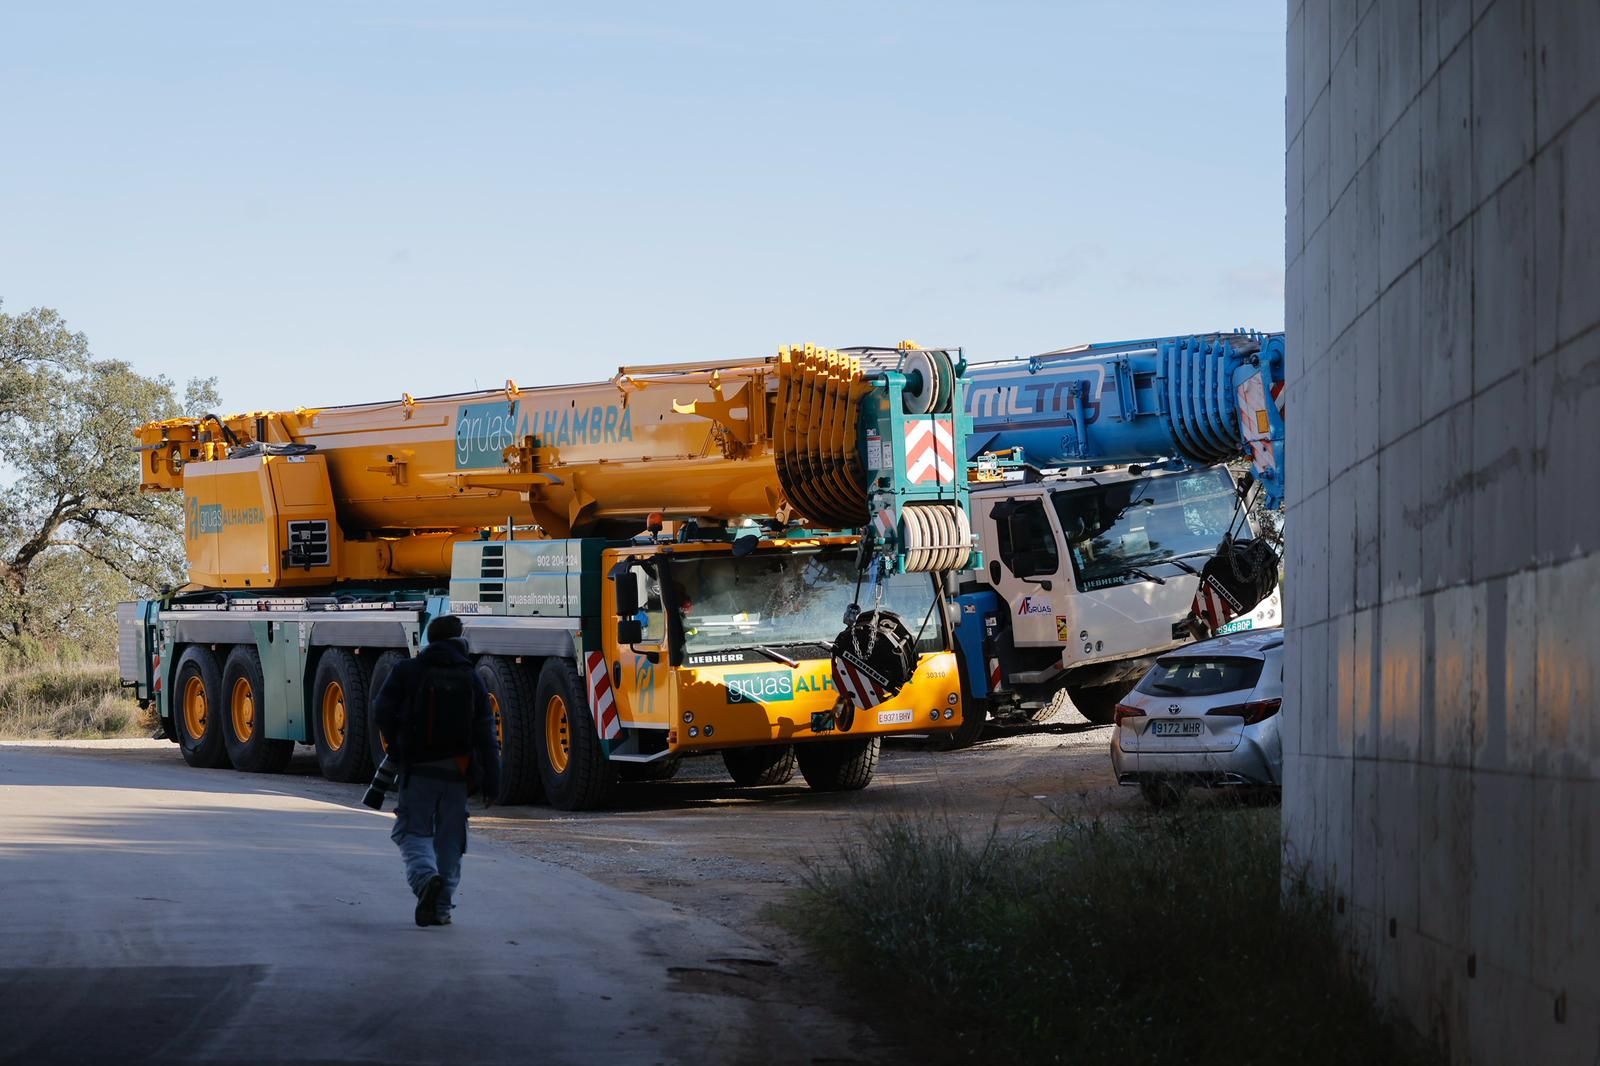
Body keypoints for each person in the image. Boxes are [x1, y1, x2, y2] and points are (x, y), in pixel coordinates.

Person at [373, 615, 500, 927]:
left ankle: (425, 878)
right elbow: (486, 733)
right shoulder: (471, 677)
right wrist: (492, 782)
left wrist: (398, 743)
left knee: (411, 832)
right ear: (459, 640)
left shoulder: (408, 670)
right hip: (458, 773)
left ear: (430, 638)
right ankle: (441, 909)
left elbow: (381, 710)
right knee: (450, 841)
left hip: (417, 770)